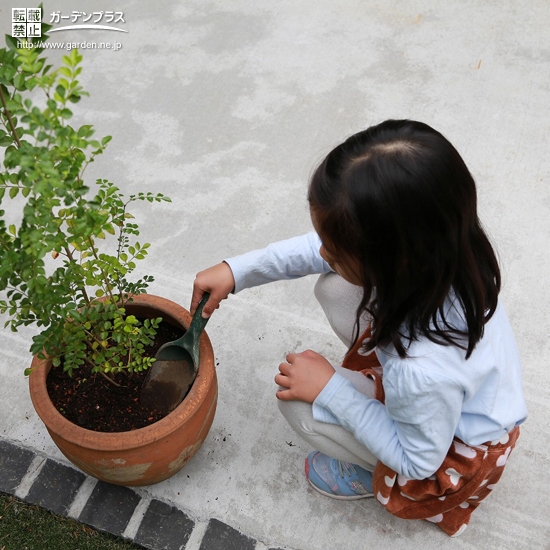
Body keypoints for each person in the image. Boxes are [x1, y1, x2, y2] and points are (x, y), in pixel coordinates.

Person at [190, 119, 527, 537]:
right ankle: (380, 410)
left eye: (334, 249)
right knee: (336, 286)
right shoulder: (448, 255)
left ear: (387, 260)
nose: (321, 252)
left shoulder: (419, 368)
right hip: (447, 400)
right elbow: (328, 249)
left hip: (448, 454)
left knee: (299, 403)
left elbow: (418, 460)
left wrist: (331, 389)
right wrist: (238, 271)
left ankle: (370, 474)